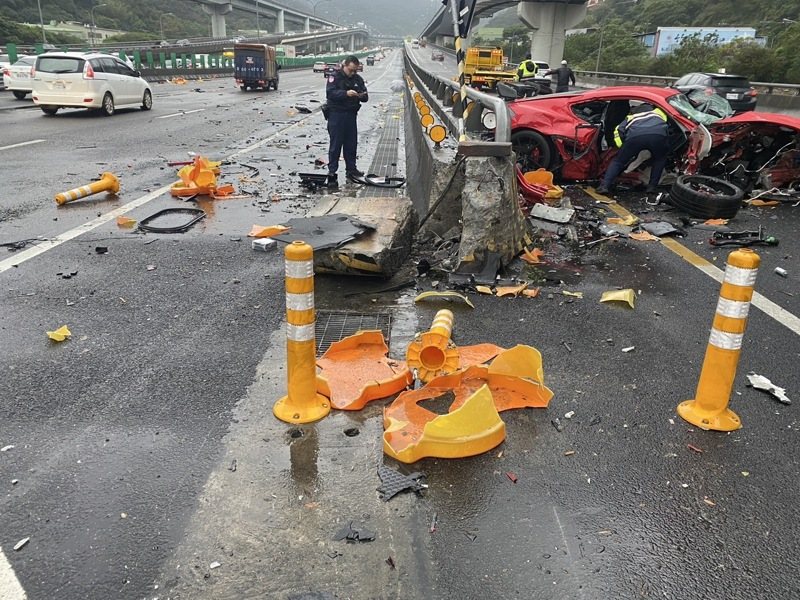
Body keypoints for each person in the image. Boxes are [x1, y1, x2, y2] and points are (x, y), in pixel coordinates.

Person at [597, 103, 669, 195]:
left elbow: (618, 130)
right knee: (659, 159)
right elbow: (666, 127)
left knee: (618, 161)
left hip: (635, 137)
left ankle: (604, 186)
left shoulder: (631, 117)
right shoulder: (659, 113)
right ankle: (651, 187)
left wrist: (622, 146)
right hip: (657, 136)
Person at [325, 55, 369, 187]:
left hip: (351, 115)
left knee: (351, 144)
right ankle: (332, 172)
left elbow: (366, 97)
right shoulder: (335, 77)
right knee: (336, 145)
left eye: (355, 70)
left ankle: (351, 169)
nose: (352, 73)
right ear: (344, 66)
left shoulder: (357, 79)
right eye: (350, 70)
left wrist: (360, 95)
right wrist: (345, 94)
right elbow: (330, 93)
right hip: (336, 114)